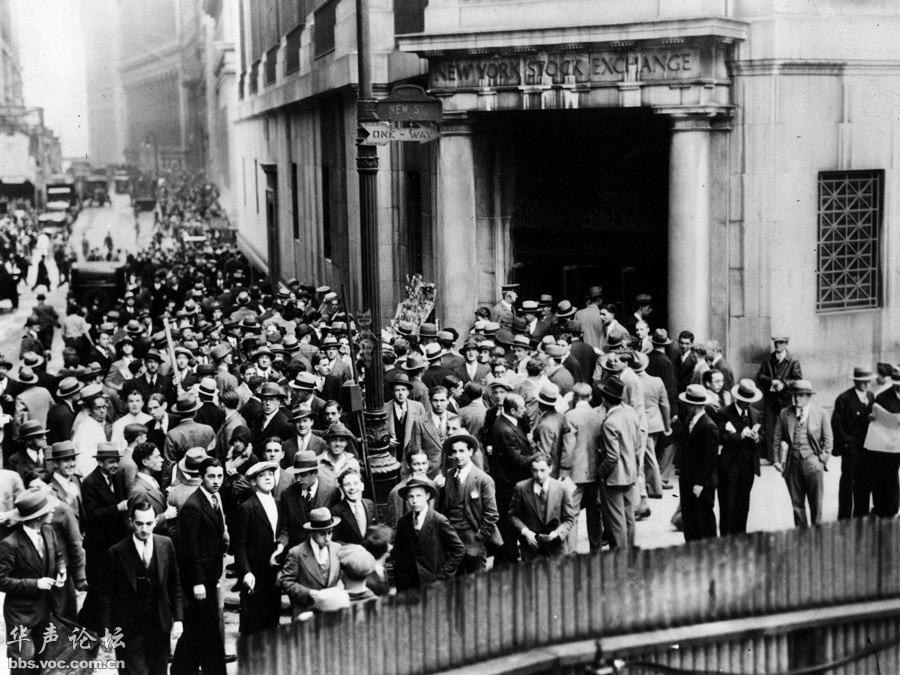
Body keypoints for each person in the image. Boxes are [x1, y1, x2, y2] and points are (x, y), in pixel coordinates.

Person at [99, 499, 184, 675]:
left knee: (159, 671)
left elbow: (174, 584)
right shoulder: (116, 552)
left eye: (149, 523)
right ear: (131, 522)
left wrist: (178, 619)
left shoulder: (166, 544)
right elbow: (104, 596)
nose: (144, 529)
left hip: (159, 625)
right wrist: (106, 632)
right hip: (128, 629)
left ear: (155, 522)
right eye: (139, 524)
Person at [171, 458, 228, 675]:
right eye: (211, 476)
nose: (216, 481)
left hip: (210, 576)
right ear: (202, 477)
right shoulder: (193, 506)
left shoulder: (215, 498)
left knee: (200, 628)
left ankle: (185, 669)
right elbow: (189, 547)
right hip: (199, 581)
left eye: (219, 476)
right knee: (205, 627)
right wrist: (197, 582)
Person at [0, 487, 65, 675]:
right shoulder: (9, 544)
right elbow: (2, 580)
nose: (53, 511)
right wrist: (35, 584)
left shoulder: (49, 531)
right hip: (20, 614)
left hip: (45, 611)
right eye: (48, 509)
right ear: (38, 516)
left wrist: (61, 569)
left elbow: (57, 554)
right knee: (22, 661)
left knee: (43, 661)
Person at [79, 443, 129, 631]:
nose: (115, 465)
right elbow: (92, 515)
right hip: (98, 546)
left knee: (108, 586)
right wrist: (117, 509)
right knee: (100, 588)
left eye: (116, 461)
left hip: (114, 542)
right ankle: (93, 625)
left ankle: (91, 622)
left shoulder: (115, 478)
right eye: (110, 462)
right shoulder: (90, 483)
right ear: (100, 462)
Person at [232, 461, 284, 636]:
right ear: (253, 482)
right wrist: (246, 571)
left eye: (270, 474)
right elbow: (239, 545)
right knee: (254, 618)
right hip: (255, 571)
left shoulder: (277, 504)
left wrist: (281, 546)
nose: (268, 478)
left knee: (272, 615)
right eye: (262, 476)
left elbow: (282, 530)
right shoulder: (246, 508)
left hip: (273, 568)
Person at [773, 380, 832, 527]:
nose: (796, 399)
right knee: (797, 504)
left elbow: (828, 439)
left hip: (813, 464)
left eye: (800, 395)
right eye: (794, 395)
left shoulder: (821, 413)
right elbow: (777, 438)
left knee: (816, 504)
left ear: (808, 397)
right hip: (792, 464)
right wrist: (776, 460)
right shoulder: (785, 413)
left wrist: (822, 460)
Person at [391, 474, 464, 591]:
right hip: (410, 585)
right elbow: (398, 552)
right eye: (411, 497)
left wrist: (442, 576)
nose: (414, 501)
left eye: (419, 496)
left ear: (427, 496)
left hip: (434, 583)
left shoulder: (439, 520)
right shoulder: (403, 522)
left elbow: (458, 550)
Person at [439, 432, 499, 574]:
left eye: (462, 451)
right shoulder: (449, 475)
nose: (458, 456)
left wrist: (479, 537)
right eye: (454, 451)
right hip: (452, 540)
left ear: (470, 451)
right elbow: (444, 508)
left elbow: (492, 515)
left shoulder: (483, 479)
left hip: (473, 540)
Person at [508, 452, 577, 561]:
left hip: (556, 549)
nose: (538, 475)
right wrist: (526, 532)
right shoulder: (521, 488)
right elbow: (513, 516)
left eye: (542, 470)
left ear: (550, 468)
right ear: (531, 470)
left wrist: (557, 533)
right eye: (535, 470)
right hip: (532, 549)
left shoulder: (561, 488)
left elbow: (569, 518)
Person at [597, 376, 640, 549]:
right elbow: (637, 444)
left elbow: (612, 457)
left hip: (614, 478)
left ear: (605, 399)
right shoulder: (631, 413)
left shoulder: (610, 423)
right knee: (629, 518)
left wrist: (600, 473)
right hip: (630, 473)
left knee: (616, 521)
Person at [277, 507, 343, 619]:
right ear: (313, 532)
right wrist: (309, 593)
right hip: (305, 613)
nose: (327, 538)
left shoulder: (337, 549)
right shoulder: (296, 553)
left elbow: (343, 577)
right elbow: (286, 582)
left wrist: (338, 589)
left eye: (330, 533)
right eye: (322, 534)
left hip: (332, 613)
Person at [717, 379, 763, 536]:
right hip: (729, 466)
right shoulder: (724, 413)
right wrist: (740, 436)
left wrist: (757, 438)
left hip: (748, 466)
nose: (747, 404)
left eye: (750, 401)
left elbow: (762, 437)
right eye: (744, 401)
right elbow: (720, 437)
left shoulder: (755, 414)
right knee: (727, 505)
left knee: (743, 505)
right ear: (738, 398)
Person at [830, 366, 875, 520]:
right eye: (863, 381)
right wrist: (847, 441)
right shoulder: (844, 398)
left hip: (867, 447)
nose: (867, 384)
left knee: (864, 482)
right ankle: (844, 517)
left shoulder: (870, 396)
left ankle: (861, 515)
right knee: (848, 482)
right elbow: (836, 423)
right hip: (851, 448)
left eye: (868, 381)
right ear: (855, 381)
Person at [564, 382, 605, 551]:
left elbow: (568, 448)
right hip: (596, 471)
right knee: (595, 514)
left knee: (572, 514)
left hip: (575, 473)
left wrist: (564, 471)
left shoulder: (570, 416)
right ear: (591, 397)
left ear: (574, 397)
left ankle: (571, 551)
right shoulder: (599, 416)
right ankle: (596, 549)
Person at [678, 384, 720, 540]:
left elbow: (710, 458)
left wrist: (699, 483)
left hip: (701, 483)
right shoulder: (691, 420)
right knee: (690, 520)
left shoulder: (709, 426)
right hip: (688, 480)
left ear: (693, 405)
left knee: (704, 521)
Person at [858, 367, 900, 518]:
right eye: (896, 383)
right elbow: (875, 417)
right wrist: (873, 417)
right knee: (887, 475)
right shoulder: (882, 397)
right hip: (886, 445)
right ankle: (886, 508)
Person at [278, 450, 340, 550]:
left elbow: (336, 528)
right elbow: (285, 528)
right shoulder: (287, 494)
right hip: (298, 552)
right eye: (296, 475)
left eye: (302, 475)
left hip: (324, 549)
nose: (298, 479)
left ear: (315, 473)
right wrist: (280, 545)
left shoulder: (332, 492)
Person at [756, 336, 803, 463]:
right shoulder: (769, 359)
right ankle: (772, 458)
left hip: (786, 400)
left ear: (786, 344)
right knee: (770, 429)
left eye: (781, 343)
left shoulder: (793, 361)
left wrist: (784, 384)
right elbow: (759, 376)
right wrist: (772, 381)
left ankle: (787, 457)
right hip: (771, 400)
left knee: (787, 428)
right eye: (776, 343)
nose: (777, 345)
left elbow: (798, 380)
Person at [384, 374, 425, 470]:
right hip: (392, 454)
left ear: (408, 392)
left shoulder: (418, 407)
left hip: (411, 453)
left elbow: (424, 431)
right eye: (397, 390)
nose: (400, 393)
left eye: (403, 390)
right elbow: (379, 432)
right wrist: (386, 441)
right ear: (393, 392)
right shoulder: (385, 408)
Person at [330, 468, 376, 546]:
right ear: (341, 489)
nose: (352, 487)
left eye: (355, 483)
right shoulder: (335, 511)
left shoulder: (370, 504)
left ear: (362, 486)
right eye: (347, 484)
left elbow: (375, 531)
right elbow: (335, 540)